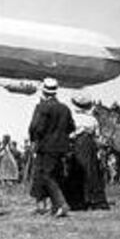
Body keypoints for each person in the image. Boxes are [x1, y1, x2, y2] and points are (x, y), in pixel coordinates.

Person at [28, 78, 74, 217]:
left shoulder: (43, 107)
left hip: (46, 146)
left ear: (44, 91)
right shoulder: (65, 108)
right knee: (55, 175)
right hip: (61, 147)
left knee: (45, 175)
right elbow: (71, 127)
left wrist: (34, 140)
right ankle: (53, 207)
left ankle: (61, 204)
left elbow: (36, 127)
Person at [67, 93, 109, 210]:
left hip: (77, 144)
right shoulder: (93, 120)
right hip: (90, 146)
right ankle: (95, 200)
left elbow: (69, 134)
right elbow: (97, 136)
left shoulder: (72, 118)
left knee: (76, 172)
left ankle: (78, 201)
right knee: (92, 171)